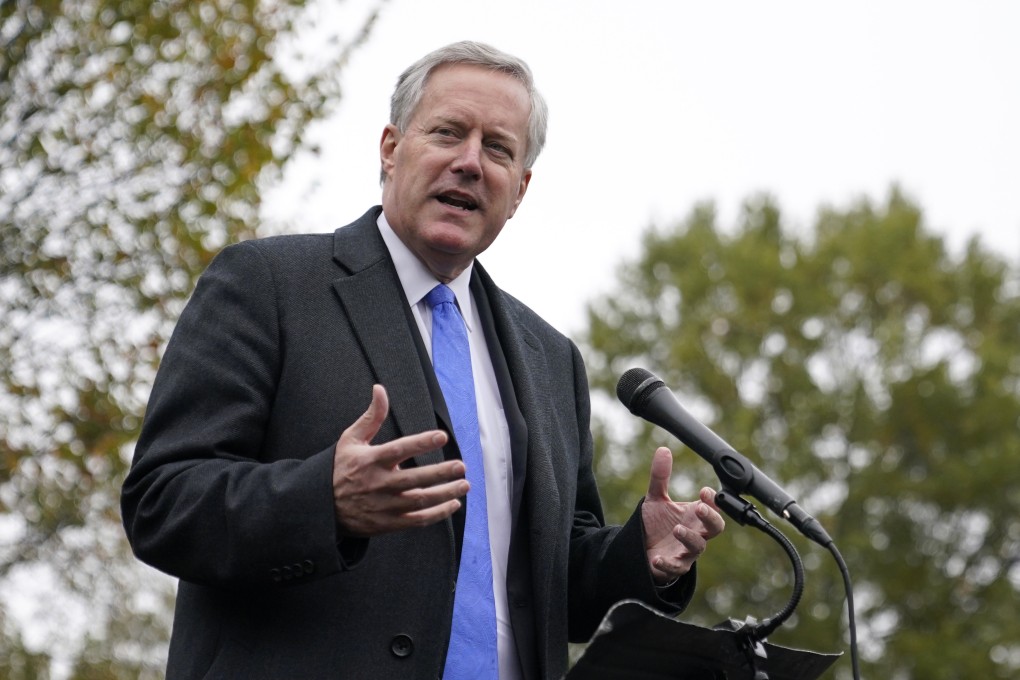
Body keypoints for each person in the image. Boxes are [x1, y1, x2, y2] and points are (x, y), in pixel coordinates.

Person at [121, 40, 724, 680]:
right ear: (391, 148)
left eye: (498, 149)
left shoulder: (552, 359)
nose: (470, 162)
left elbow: (550, 588)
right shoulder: (269, 286)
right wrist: (324, 503)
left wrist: (639, 557)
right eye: (447, 133)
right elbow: (162, 502)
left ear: (520, 190)